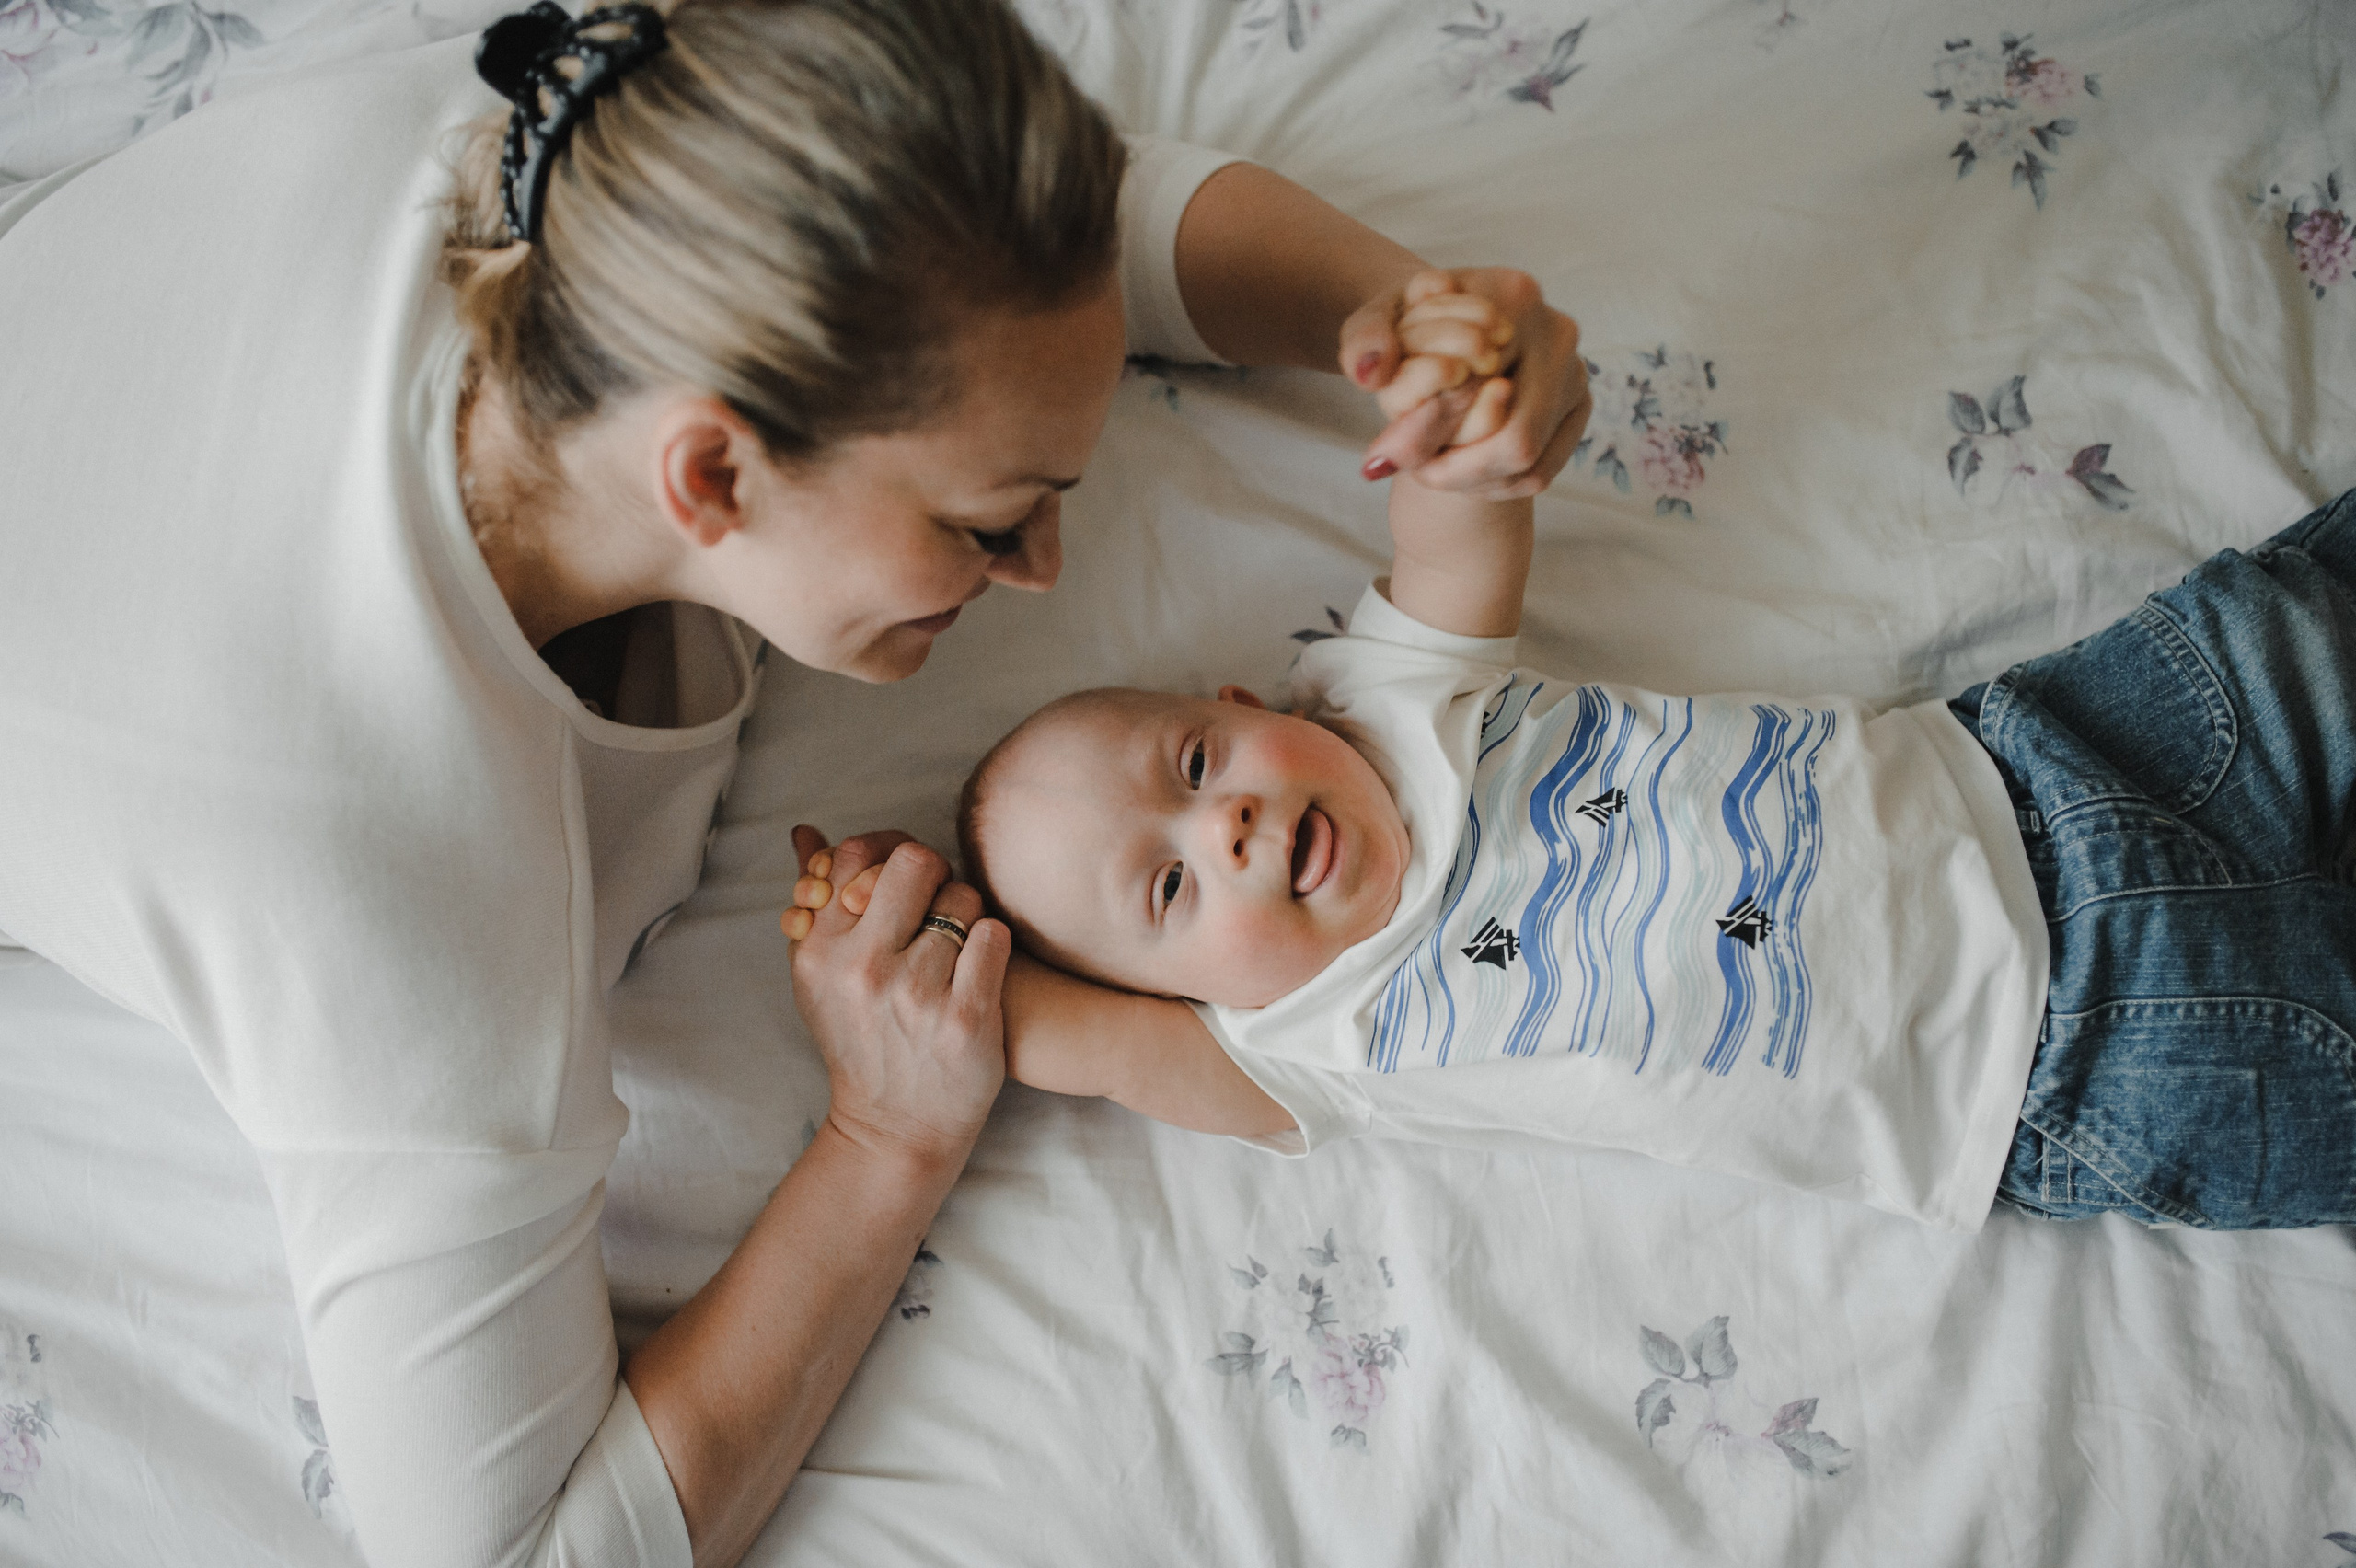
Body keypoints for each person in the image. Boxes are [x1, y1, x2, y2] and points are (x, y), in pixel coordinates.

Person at [0, 0, 1599, 1562]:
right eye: (990, 523)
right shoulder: (388, 881)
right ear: (711, 475)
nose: (1045, 570)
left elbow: (1068, 235)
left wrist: (1406, 328)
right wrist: (887, 1139)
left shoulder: (646, 157)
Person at [864, 314, 2356, 1236]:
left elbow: (1458, 536)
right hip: (2077, 1059)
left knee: (2298, 626)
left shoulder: (1387, 694)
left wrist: (1459, 408)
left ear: (1250, 701)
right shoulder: (1308, 1036)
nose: (1231, 818)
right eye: (1172, 883)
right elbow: (1059, 1033)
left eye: (1195, 762)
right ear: (1182, 994)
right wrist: (917, 931)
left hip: (2049, 754)